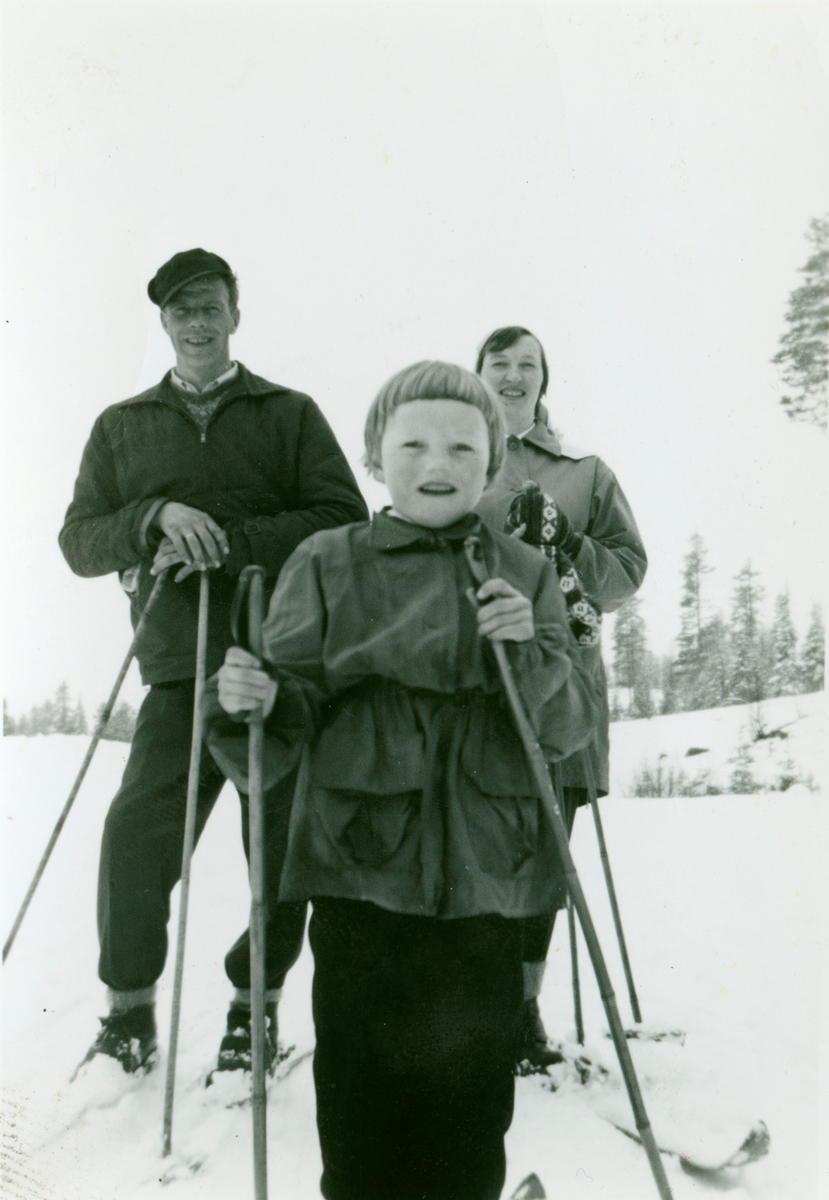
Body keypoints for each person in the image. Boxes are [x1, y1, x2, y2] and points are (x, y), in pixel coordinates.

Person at [205, 361, 599, 1200]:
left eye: (463, 443)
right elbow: (281, 722)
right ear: (376, 456)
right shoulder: (325, 559)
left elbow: (563, 731)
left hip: (487, 879)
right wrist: (254, 699)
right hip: (358, 870)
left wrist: (526, 648)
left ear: (492, 460)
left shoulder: (523, 570)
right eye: (413, 440)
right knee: (359, 1112)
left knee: (467, 1114)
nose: (438, 459)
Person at [59, 248, 368, 1077]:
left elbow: (344, 514)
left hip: (279, 664)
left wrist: (228, 542)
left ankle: (253, 1011)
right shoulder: (121, 425)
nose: (197, 321)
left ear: (237, 313)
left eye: (211, 305)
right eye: (181, 308)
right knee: (134, 838)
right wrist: (154, 517)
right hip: (175, 667)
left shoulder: (288, 412)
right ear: (163, 321)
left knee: (276, 850)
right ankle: (128, 1018)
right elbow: (77, 541)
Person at [474, 326, 647, 1068]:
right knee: (471, 843)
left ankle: (518, 1013)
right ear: (475, 373)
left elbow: (625, 574)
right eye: (498, 365)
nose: (512, 378)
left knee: (545, 849)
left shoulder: (584, 472)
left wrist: (567, 541)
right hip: (467, 678)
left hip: (559, 681)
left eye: (526, 366)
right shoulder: (452, 455)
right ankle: (466, 1005)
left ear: (544, 380)